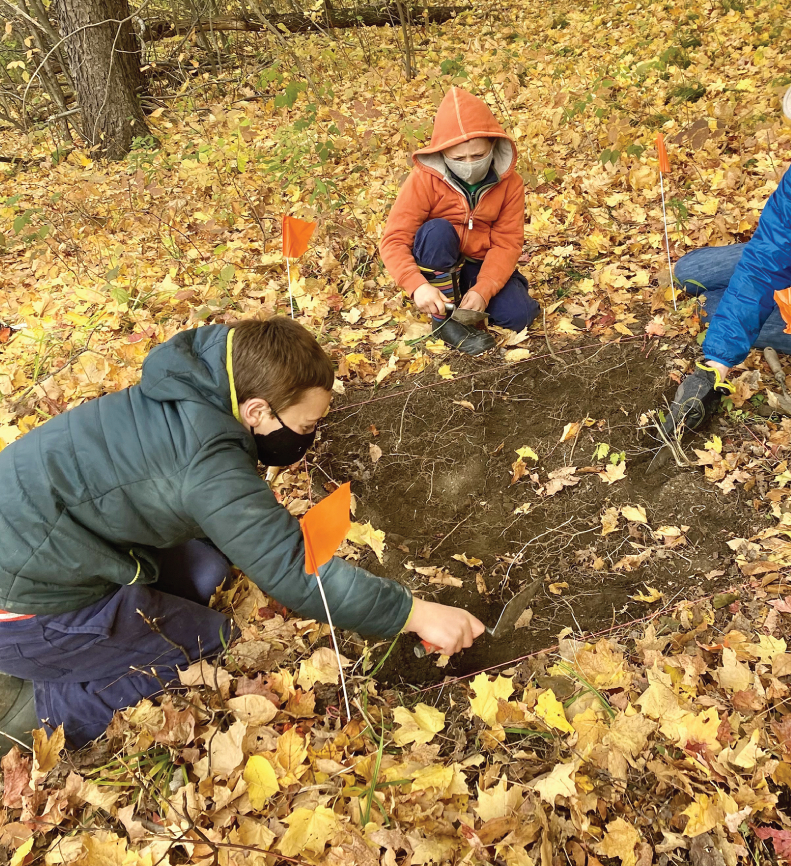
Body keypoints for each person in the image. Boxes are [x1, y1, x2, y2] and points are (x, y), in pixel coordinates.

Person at [0, 318, 484, 754]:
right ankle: (45, 710)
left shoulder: (197, 379)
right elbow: (294, 569)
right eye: (306, 424)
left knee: (209, 568)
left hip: (45, 546)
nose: (309, 434)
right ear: (256, 411)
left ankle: (64, 656)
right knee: (210, 642)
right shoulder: (206, 460)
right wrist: (415, 612)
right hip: (24, 605)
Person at [380, 86, 539, 354]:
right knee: (438, 231)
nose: (469, 164)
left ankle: (467, 295)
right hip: (438, 260)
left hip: (480, 262)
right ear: (443, 154)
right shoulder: (424, 180)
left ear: (492, 145)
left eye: (477, 156)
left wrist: (484, 289)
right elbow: (394, 239)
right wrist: (417, 286)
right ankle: (443, 321)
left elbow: (507, 243)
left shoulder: (510, 184)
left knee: (519, 317)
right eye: (458, 158)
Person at [663, 165, 791, 435]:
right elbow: (765, 263)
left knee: (708, 307)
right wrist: (715, 367)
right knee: (689, 272)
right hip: (781, 254)